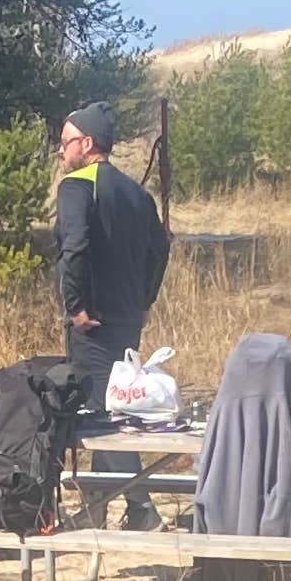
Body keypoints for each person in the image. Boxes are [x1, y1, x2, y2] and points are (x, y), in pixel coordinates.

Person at [52, 102, 169, 405]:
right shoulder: (137, 193)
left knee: (101, 419)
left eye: (65, 143)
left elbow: (75, 246)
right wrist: (145, 301)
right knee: (123, 405)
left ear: (86, 143)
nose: (60, 152)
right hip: (128, 321)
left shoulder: (76, 185)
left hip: (93, 325)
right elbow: (160, 249)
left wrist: (75, 306)